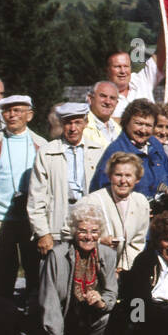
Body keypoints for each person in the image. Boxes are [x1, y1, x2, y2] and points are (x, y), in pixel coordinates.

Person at [38, 201, 118, 335]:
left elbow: (111, 293)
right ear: (74, 231)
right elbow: (49, 302)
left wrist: (101, 301)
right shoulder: (57, 256)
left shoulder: (107, 255)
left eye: (94, 231)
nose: (89, 237)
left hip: (86, 319)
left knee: (109, 315)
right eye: (83, 231)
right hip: (60, 323)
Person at [0, 95, 46, 310]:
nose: (12, 115)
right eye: (7, 111)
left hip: (31, 219)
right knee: (1, 274)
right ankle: (1, 324)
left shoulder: (42, 145)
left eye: (18, 110)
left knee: (34, 272)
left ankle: (32, 320)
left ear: (29, 115)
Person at [28, 102, 104, 268]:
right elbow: (36, 198)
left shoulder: (98, 151)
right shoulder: (47, 152)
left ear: (85, 123)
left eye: (77, 122)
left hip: (89, 227)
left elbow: (105, 195)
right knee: (54, 277)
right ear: (62, 124)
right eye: (68, 122)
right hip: (57, 225)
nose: (73, 128)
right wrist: (43, 233)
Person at [67, 153, 150, 273]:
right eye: (118, 175)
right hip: (91, 268)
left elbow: (138, 242)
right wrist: (98, 241)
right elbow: (67, 233)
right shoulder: (91, 201)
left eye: (128, 176)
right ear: (110, 176)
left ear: (137, 179)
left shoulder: (141, 202)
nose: (123, 181)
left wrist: (123, 268)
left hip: (124, 271)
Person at [91, 98, 168, 201]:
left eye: (148, 125)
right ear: (127, 122)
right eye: (139, 123)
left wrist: (167, 190)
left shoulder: (155, 145)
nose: (143, 130)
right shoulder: (116, 151)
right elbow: (101, 189)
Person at [105, 49, 163, 119]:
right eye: (117, 67)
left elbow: (162, 52)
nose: (123, 71)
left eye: (126, 66)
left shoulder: (142, 80)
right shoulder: (102, 99)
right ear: (107, 70)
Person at [84, 80, 121, 148]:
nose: (107, 102)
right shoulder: (82, 127)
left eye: (112, 98)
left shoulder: (118, 129)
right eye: (103, 96)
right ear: (90, 99)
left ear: (116, 103)